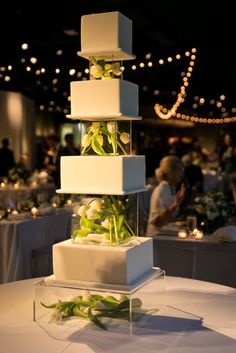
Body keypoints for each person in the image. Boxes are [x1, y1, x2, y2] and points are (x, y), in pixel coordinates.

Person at [146, 155, 185, 237]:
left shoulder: (171, 188)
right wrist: (175, 205)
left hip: (165, 232)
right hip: (156, 237)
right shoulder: (162, 190)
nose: (182, 173)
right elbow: (158, 222)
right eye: (179, 170)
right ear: (171, 172)